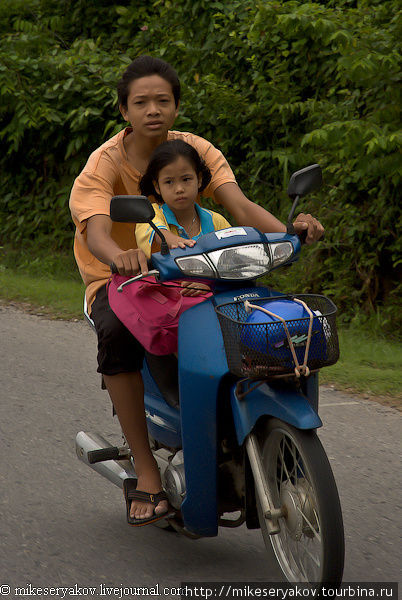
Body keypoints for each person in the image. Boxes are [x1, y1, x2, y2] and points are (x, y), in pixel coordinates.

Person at [69, 55, 324, 526]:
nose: (152, 110)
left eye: (162, 101)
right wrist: (118, 257)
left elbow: (238, 206)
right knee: (117, 334)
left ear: (176, 107)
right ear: (123, 110)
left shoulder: (194, 150)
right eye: (140, 102)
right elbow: (97, 230)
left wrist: (290, 232)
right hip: (125, 280)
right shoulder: (102, 165)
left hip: (200, 269)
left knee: (267, 319)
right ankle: (146, 471)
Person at [136, 138, 231, 296]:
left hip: (212, 299)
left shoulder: (217, 221)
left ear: (199, 179)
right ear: (157, 186)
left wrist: (210, 284)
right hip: (166, 302)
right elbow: (155, 232)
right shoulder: (150, 214)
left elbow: (232, 261)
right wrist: (173, 241)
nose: (179, 189)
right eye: (169, 182)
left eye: (186, 179)